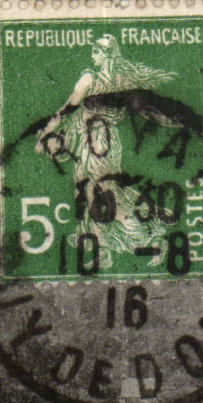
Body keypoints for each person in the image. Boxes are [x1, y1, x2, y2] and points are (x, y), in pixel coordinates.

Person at [35, 35, 175, 270]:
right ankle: (108, 249)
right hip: (106, 144)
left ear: (107, 53)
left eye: (96, 51)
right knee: (100, 196)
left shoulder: (89, 78)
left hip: (94, 145)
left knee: (100, 196)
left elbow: (66, 110)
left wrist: (45, 133)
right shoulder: (121, 80)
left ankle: (150, 237)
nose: (92, 56)